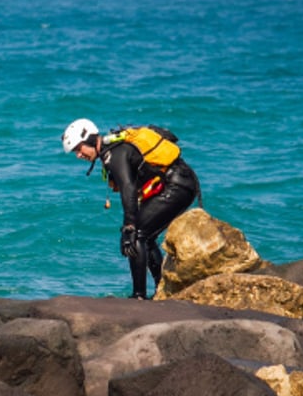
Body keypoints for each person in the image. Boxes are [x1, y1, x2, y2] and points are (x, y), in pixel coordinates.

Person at [61, 118, 200, 299]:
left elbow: (128, 188)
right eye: (75, 152)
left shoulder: (115, 154)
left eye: (79, 149)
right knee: (144, 236)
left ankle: (139, 295)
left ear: (89, 139)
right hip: (180, 183)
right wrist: (130, 223)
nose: (79, 155)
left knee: (136, 235)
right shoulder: (111, 152)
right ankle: (162, 290)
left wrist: (129, 225)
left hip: (177, 185)